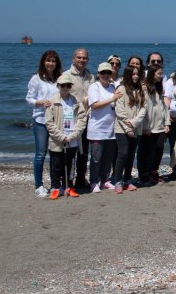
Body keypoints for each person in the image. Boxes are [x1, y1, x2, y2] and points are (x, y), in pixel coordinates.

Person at [26, 50, 62, 197]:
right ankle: (39, 185)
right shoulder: (36, 78)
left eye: (53, 61)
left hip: (56, 120)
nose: (50, 63)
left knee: (56, 153)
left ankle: (55, 184)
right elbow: (29, 99)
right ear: (43, 62)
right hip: (40, 119)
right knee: (41, 153)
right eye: (48, 60)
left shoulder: (60, 78)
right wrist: (40, 103)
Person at [45, 73, 87, 200]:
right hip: (57, 140)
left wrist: (73, 136)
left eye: (68, 85)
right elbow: (49, 122)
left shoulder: (75, 100)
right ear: (58, 86)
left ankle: (69, 187)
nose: (65, 87)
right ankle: (56, 188)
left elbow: (82, 119)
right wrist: (60, 136)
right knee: (56, 165)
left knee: (70, 165)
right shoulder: (52, 101)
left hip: (72, 140)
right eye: (63, 85)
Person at [87, 62, 121, 193]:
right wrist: (112, 99)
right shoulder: (94, 87)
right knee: (96, 157)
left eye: (108, 73)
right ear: (98, 74)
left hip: (111, 129)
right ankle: (94, 181)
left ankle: (105, 180)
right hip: (97, 129)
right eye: (103, 73)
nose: (106, 75)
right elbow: (94, 105)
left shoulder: (113, 87)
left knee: (108, 157)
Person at [112, 66, 146, 193]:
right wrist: (127, 128)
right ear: (127, 75)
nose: (135, 76)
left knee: (131, 154)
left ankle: (127, 179)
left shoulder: (141, 89)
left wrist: (134, 123)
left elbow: (144, 108)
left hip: (135, 127)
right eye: (133, 74)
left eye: (137, 74)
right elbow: (119, 111)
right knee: (123, 153)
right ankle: (118, 181)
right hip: (121, 128)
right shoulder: (121, 88)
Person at [68, 48, 94, 190]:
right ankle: (69, 181)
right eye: (79, 57)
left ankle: (81, 179)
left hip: (87, 118)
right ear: (73, 59)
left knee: (84, 151)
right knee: (71, 152)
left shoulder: (90, 76)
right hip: (71, 119)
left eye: (84, 58)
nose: (81, 60)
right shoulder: (66, 76)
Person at [137, 65, 168, 186]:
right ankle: (143, 174)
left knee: (159, 149)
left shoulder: (159, 88)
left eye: (161, 73)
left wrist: (167, 122)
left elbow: (163, 107)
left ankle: (153, 172)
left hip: (160, 125)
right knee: (146, 151)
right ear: (152, 74)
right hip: (148, 126)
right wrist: (144, 126)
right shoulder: (144, 88)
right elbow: (142, 108)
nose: (161, 76)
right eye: (159, 73)